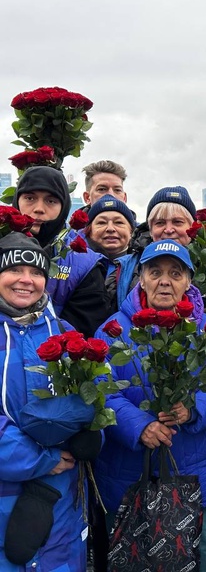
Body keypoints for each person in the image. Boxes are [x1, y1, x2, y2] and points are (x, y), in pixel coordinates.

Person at [94, 240, 206, 572]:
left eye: (175, 273)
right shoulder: (113, 330)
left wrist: (192, 409)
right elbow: (102, 390)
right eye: (154, 271)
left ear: (189, 281)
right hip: (130, 475)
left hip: (195, 468)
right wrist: (139, 425)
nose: (164, 281)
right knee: (136, 559)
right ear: (140, 277)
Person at [0, 233, 90, 569]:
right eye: (14, 270)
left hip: (60, 499)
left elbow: (93, 396)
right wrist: (41, 459)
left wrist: (92, 434)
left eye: (36, 272)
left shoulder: (63, 333)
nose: (26, 280)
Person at [13, 165, 108, 337]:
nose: (39, 209)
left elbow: (83, 332)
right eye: (29, 198)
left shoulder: (85, 263)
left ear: (64, 206)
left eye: (51, 201)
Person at [85, 195, 138, 312]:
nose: (110, 228)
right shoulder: (75, 263)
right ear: (89, 231)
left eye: (118, 222)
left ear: (131, 231)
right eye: (102, 222)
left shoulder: (142, 266)